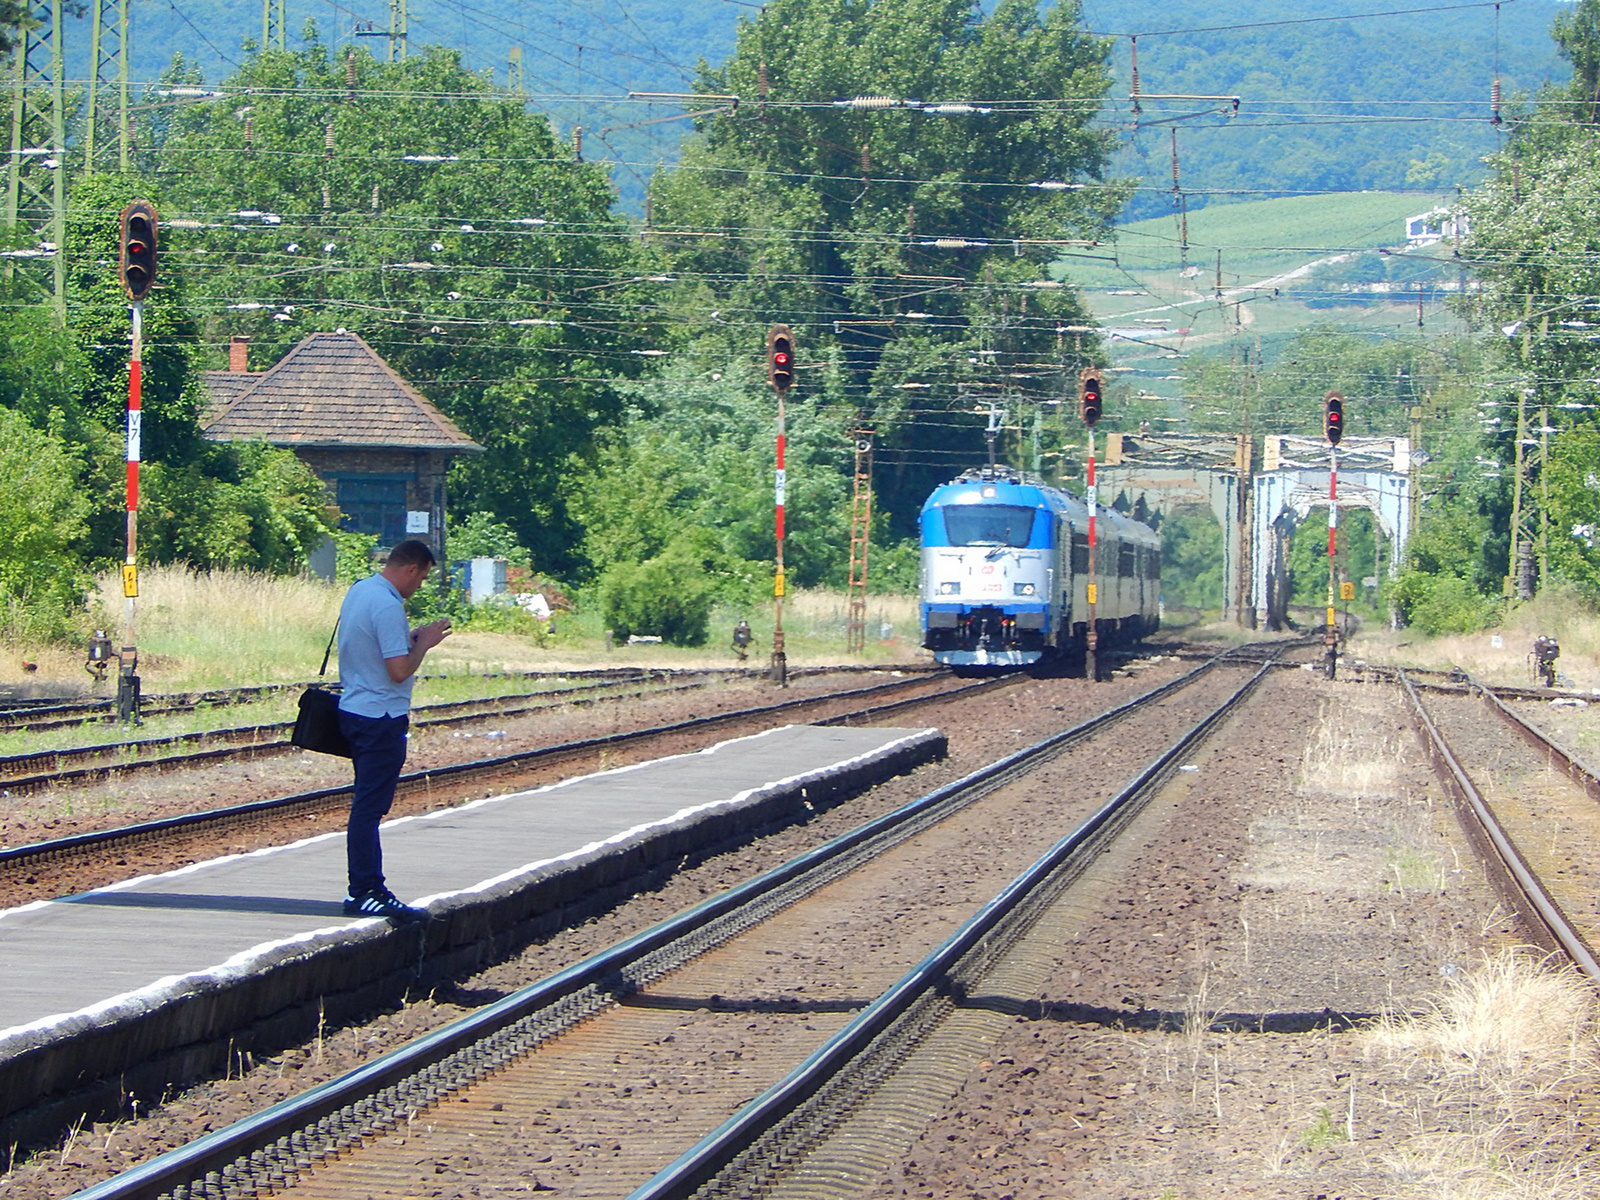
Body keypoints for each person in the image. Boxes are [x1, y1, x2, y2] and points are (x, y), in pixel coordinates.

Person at [337, 539, 451, 922]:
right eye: (421, 578)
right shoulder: (388, 605)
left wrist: (409, 640)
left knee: (366, 806)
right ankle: (366, 891)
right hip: (380, 717)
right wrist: (425, 645)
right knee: (369, 809)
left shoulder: (360, 590)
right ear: (410, 569)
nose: (419, 586)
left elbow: (373, 648)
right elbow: (399, 670)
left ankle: (366, 888)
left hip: (354, 708)